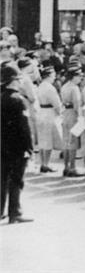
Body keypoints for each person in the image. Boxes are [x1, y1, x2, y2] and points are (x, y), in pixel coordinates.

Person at [1, 63, 34, 223]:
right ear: (14, 81)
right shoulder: (18, 100)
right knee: (16, 180)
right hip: (16, 147)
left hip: (2, 145)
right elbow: (24, 127)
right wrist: (29, 148)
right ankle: (15, 212)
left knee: (2, 178)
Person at [36, 66, 63, 173]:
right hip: (49, 114)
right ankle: (46, 164)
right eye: (53, 75)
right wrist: (60, 113)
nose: (54, 77)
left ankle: (43, 163)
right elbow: (57, 104)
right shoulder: (50, 88)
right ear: (48, 76)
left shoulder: (40, 86)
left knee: (42, 140)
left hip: (41, 112)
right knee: (48, 141)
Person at [60, 65, 84, 177]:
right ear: (74, 76)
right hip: (72, 115)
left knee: (66, 142)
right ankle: (72, 167)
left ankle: (66, 167)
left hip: (65, 113)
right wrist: (80, 117)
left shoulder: (64, 86)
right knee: (73, 142)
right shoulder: (74, 88)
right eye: (79, 75)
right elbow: (77, 105)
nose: (81, 77)